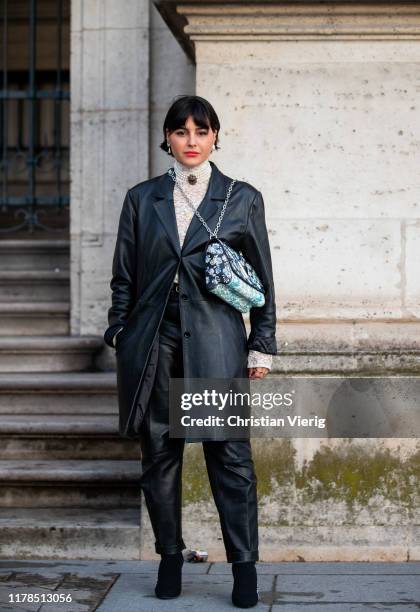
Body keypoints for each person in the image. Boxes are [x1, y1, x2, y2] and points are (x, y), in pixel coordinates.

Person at [104, 95, 277, 608]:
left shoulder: (242, 198)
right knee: (159, 455)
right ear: (168, 139)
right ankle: (170, 557)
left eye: (201, 131)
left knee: (230, 456)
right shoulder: (142, 198)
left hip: (218, 341)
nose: (192, 140)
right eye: (181, 132)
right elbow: (124, 276)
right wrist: (119, 331)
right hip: (155, 343)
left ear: (215, 136)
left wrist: (260, 344)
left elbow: (263, 280)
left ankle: (244, 567)